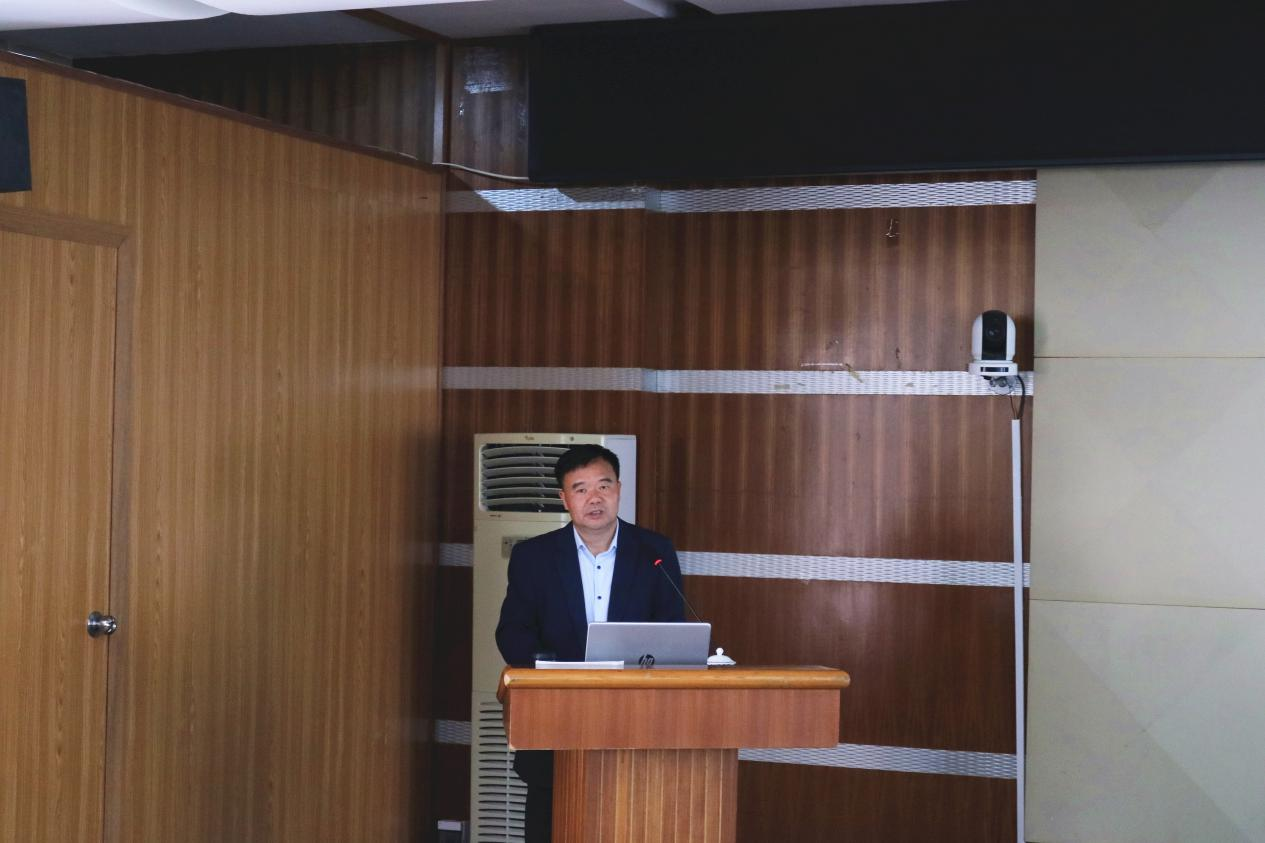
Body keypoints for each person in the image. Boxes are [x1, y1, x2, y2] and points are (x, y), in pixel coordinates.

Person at [495, 443, 685, 843]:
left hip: (635, 721)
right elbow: (512, 630)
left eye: (603, 485)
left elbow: (673, 627)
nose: (594, 498)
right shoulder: (534, 556)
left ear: (619, 489)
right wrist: (552, 669)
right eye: (580, 489)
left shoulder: (655, 552)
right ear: (564, 499)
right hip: (555, 720)